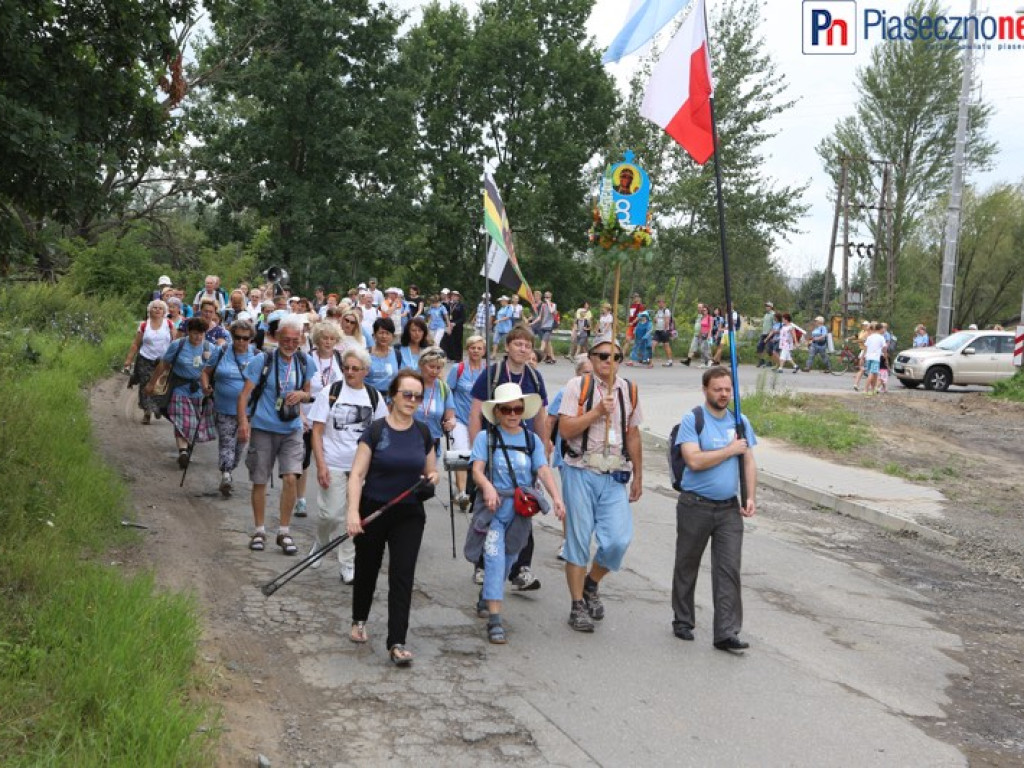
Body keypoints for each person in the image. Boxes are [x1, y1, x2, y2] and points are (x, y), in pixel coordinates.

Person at [346, 370, 439, 666]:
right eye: (407, 394)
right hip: (374, 509)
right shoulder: (376, 431)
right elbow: (357, 474)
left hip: (409, 513)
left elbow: (430, 471)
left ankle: (397, 641)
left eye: (418, 396)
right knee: (367, 568)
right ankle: (359, 618)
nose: (412, 400)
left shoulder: (423, 432)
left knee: (402, 574)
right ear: (393, 396)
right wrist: (352, 512)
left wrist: (432, 479)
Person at [468, 383, 565, 644]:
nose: (513, 414)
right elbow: (477, 470)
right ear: (497, 412)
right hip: (493, 510)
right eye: (507, 409)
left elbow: (542, 470)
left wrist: (556, 498)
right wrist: (487, 486)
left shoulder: (532, 440)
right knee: (495, 559)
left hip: (521, 511)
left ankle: (486, 596)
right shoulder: (485, 438)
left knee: (509, 559)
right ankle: (495, 620)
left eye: (518, 409)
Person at [558, 338, 643, 632]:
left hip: (614, 473)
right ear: (592, 357)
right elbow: (565, 429)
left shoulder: (629, 390)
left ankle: (592, 582)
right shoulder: (577, 387)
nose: (609, 361)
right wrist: (596, 412)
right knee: (578, 540)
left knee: (618, 540)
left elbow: (633, 434)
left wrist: (638, 476)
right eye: (603, 355)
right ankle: (577, 604)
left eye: (615, 357)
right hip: (580, 469)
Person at [671, 366, 757, 651]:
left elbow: (749, 460)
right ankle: (683, 620)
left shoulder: (740, 421)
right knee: (687, 563)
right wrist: (729, 450)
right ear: (705, 390)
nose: (723, 394)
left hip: (728, 508)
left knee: (729, 569)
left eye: (727, 389)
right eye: (717, 389)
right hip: (695, 504)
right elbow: (694, 460)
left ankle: (726, 632)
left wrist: (750, 496)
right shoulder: (693, 419)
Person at [468, 325, 551, 590]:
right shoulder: (491, 375)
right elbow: (476, 413)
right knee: (489, 509)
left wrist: (544, 449)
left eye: (527, 345)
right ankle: (483, 564)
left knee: (525, 504)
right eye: (518, 344)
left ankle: (520, 568)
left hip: (524, 451)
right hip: (494, 450)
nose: (523, 349)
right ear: (507, 347)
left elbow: (541, 416)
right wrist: (476, 449)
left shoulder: (535, 378)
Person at [236, 315, 317, 555]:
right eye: (286, 339)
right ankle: (259, 530)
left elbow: (308, 393)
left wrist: (302, 396)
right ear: (277, 337)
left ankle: (284, 531)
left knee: (291, 477)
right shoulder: (262, 360)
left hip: (291, 428)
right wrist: (243, 422)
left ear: (301, 339)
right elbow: (244, 395)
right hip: (263, 427)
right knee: (260, 480)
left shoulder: (305, 361)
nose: (290, 344)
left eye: (295, 340)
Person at [309, 347, 389, 584]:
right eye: (346, 368)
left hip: (361, 468)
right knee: (330, 514)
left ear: (366, 371)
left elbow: (382, 432)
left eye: (355, 368)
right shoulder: (330, 393)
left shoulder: (374, 397)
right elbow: (317, 431)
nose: (350, 372)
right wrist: (321, 464)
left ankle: (347, 563)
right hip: (333, 462)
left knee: (353, 517)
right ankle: (321, 542)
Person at [144, 317, 217, 468]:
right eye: (195, 333)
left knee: (194, 422)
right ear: (188, 332)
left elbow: (214, 371)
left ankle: (186, 446)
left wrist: (211, 387)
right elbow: (164, 364)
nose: (198, 337)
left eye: (201, 334)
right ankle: (183, 452)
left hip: (200, 390)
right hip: (179, 387)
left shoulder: (210, 348)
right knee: (181, 420)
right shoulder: (178, 345)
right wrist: (151, 383)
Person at [201, 318, 257, 496]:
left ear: (251, 339)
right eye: (237, 337)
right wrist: (205, 387)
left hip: (248, 411)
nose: (241, 341)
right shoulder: (222, 351)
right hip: (223, 407)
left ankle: (229, 469)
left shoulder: (257, 356)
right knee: (227, 441)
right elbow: (206, 372)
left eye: (245, 338)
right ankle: (226, 474)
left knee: (241, 444)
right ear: (232, 336)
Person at [446, 335, 487, 508]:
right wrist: (449, 416)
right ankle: (461, 493)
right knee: (460, 453)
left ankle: (477, 490)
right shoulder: (459, 368)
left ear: (484, 351)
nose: (475, 351)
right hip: (460, 419)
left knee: (478, 455)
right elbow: (447, 392)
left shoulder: (488, 370)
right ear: (467, 349)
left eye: (479, 348)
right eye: (472, 347)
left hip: (480, 420)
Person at [123, 299, 176, 424]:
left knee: (159, 385)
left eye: (160, 308)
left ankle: (157, 407)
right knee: (146, 385)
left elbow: (174, 342)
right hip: (145, 359)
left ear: (164, 311)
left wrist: (174, 358)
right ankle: (147, 411)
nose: (157, 310)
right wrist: (128, 360)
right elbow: (136, 344)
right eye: (154, 307)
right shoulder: (144, 325)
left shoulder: (169, 324)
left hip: (163, 360)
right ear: (149, 310)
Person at [415, 347, 456, 453]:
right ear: (421, 365)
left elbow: (450, 417)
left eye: (438, 368)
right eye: (431, 367)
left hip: (432, 442)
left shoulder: (443, 388)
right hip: (410, 440)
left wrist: (451, 422)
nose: (434, 371)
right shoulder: (410, 384)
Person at [366, 318, 401, 395]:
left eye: (387, 333)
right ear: (374, 335)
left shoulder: (397, 354)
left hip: (389, 396)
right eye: (381, 333)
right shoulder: (366, 354)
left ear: (392, 336)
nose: (384, 336)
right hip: (370, 395)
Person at [442, 289, 467, 362]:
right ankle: (450, 356)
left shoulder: (461, 306)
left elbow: (463, 318)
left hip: (457, 326)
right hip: (449, 325)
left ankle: (458, 358)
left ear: (458, 297)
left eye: (455, 296)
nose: (453, 297)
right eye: (452, 295)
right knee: (449, 341)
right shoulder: (449, 305)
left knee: (457, 341)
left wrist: (455, 323)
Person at [863, 322, 886, 395]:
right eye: (883, 328)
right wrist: (885, 356)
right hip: (875, 358)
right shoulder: (881, 338)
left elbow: (865, 347)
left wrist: (863, 357)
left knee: (875, 374)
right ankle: (865, 389)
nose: (884, 330)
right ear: (880, 329)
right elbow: (884, 348)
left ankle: (873, 389)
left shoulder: (870, 337)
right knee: (871, 374)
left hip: (868, 358)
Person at [535, 291, 558, 364]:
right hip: (543, 326)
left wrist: (548, 302)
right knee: (548, 342)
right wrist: (532, 323)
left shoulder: (553, 305)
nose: (546, 298)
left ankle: (537, 357)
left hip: (549, 327)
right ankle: (551, 358)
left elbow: (551, 311)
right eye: (545, 297)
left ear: (551, 297)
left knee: (543, 342)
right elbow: (540, 316)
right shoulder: (543, 305)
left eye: (548, 297)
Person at [652, 297, 674, 366]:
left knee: (666, 346)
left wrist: (665, 330)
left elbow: (667, 321)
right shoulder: (657, 311)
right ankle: (648, 360)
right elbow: (655, 320)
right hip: (657, 330)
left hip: (664, 331)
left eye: (661, 302)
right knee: (652, 344)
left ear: (664, 303)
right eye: (659, 302)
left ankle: (670, 361)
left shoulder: (666, 311)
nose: (660, 304)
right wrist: (655, 320)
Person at [623, 293, 644, 357]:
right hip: (631, 325)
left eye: (635, 297)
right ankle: (622, 355)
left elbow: (639, 316)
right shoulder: (632, 306)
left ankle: (641, 356)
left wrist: (633, 322)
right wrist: (629, 322)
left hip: (637, 326)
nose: (633, 299)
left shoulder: (640, 306)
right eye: (633, 297)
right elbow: (631, 315)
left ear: (638, 298)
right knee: (627, 340)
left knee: (638, 342)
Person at [756, 302, 775, 368]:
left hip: (770, 334)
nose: (766, 307)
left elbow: (774, 325)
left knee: (769, 349)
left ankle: (770, 362)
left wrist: (772, 334)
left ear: (771, 307)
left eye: (768, 306)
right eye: (766, 306)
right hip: (763, 333)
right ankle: (761, 360)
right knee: (759, 346)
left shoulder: (773, 314)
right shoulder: (766, 314)